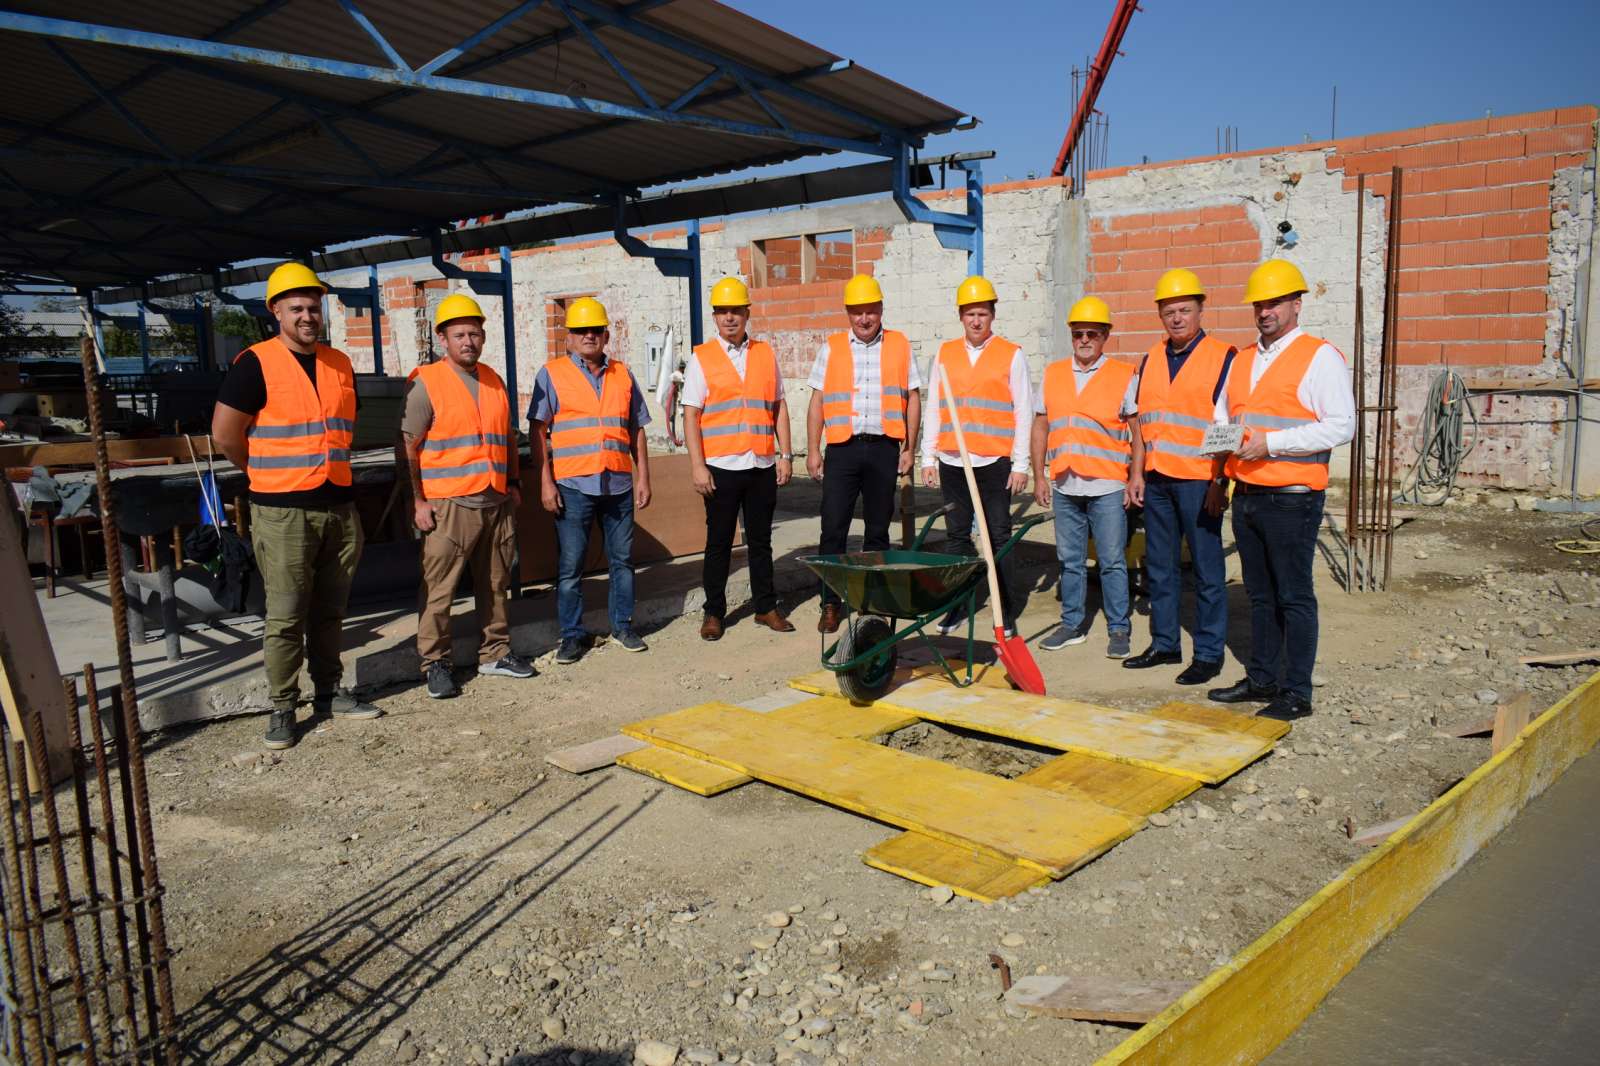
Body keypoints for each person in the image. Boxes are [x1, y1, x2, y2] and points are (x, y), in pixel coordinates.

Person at [211, 261, 379, 751]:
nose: (308, 315)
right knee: (285, 614)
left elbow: (341, 432)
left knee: (331, 609)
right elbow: (225, 435)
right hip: (282, 510)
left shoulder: (339, 363)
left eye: (314, 307)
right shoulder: (254, 363)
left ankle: (329, 692)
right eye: (297, 308)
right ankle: (282, 706)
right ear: (276, 311)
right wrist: (262, 471)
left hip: (338, 505)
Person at [1208, 260, 1355, 721]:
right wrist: (1219, 455)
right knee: (1260, 594)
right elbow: (1223, 419)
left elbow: (1341, 425)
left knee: (1293, 595)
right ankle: (1263, 678)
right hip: (1247, 494)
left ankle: (1297, 691)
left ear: (1296, 303)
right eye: (1259, 303)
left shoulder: (1319, 356)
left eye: (1274, 302)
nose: (1265, 311)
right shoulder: (1243, 359)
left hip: (1292, 496)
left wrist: (1272, 443)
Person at [402, 293, 533, 699]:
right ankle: (435, 664)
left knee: (495, 583)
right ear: (443, 338)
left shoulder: (494, 379)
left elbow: (507, 438)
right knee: (439, 589)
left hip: (494, 499)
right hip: (449, 505)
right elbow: (407, 446)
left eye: (475, 334)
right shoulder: (426, 382)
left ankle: (495, 653)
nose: (468, 342)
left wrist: (513, 482)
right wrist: (418, 501)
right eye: (459, 334)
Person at [1123, 268, 1237, 685]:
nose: (1177, 319)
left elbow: (1229, 425)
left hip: (1199, 481)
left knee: (1207, 570)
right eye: (1169, 311)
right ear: (1159, 314)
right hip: (1157, 480)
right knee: (1161, 568)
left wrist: (1220, 481)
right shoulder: (1150, 359)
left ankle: (1208, 653)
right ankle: (1165, 644)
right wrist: (1136, 473)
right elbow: (1140, 424)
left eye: (1185, 310)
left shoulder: (1225, 357)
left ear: (1200, 310)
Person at [528, 297, 652, 664]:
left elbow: (637, 429)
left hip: (618, 484)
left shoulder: (623, 374)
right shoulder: (551, 374)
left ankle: (623, 627)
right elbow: (538, 430)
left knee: (623, 561)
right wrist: (545, 483)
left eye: (594, 330)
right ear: (568, 337)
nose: (588, 336)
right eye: (580, 331)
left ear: (605, 335)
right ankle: (571, 636)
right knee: (570, 567)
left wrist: (643, 476)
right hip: (572, 485)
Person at [807, 273, 923, 634]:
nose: (864, 318)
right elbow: (817, 402)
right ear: (847, 313)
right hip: (842, 449)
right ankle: (830, 602)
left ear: (881, 309)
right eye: (857, 312)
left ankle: (871, 601)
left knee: (877, 530)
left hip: (885, 448)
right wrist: (813, 449)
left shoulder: (901, 345)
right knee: (833, 528)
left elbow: (913, 398)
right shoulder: (832, 347)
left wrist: (910, 448)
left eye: (870, 311)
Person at [682, 277, 795, 640]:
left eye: (736, 311)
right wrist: (697, 465)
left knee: (761, 542)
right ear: (715, 317)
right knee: (718, 544)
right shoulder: (702, 358)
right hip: (721, 468)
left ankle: (765, 607)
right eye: (723, 312)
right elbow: (690, 415)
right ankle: (714, 613)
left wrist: (786, 454)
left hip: (760, 465)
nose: (730, 318)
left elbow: (778, 406)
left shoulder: (765, 353)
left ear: (748, 313)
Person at [920, 275, 1033, 635]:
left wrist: (1021, 464)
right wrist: (929, 456)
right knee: (956, 537)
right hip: (954, 462)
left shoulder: (1011, 354)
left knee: (998, 536)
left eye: (982, 313)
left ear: (992, 315)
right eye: (970, 314)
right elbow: (935, 406)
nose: (976, 320)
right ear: (960, 316)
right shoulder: (945, 353)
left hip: (994, 463)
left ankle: (1006, 611)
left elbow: (1023, 411)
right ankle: (956, 606)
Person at [1031, 296, 1142, 658]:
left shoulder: (1124, 375)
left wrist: (1134, 476)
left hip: (1108, 485)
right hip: (1065, 482)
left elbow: (1139, 432)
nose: (1084, 340)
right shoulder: (1053, 374)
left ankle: (1119, 628)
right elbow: (1041, 425)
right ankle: (1072, 623)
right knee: (1069, 559)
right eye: (1078, 333)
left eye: (1092, 333)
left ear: (1106, 335)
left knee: (1111, 560)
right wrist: (1039, 476)